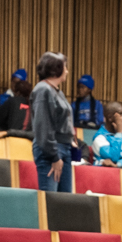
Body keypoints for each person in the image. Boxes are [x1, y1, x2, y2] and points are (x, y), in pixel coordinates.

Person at [30, 52, 76, 195]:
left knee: (64, 202)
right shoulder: (43, 90)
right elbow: (43, 127)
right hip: (51, 151)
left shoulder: (56, 91)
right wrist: (54, 156)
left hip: (64, 148)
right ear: (56, 69)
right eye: (65, 67)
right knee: (50, 201)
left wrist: (70, 139)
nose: (67, 71)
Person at [0, 68, 32, 138]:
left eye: (17, 83)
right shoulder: (35, 105)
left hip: (13, 138)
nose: (14, 85)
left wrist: (8, 128)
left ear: (17, 91)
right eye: (13, 81)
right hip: (29, 141)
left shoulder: (12, 100)